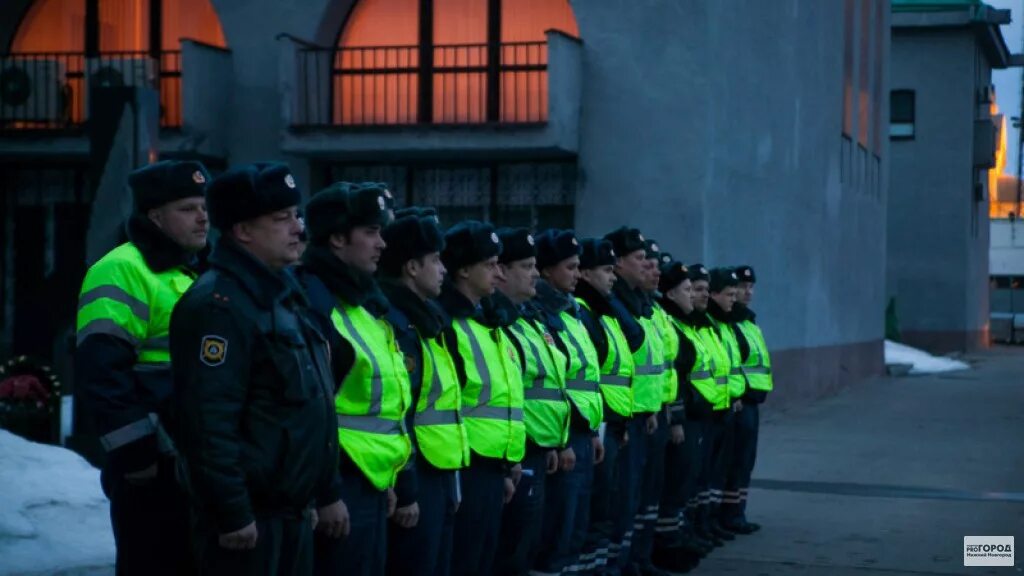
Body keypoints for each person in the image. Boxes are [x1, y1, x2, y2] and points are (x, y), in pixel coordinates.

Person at [170, 162, 347, 575]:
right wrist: (231, 511)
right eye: (281, 219)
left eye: (297, 216)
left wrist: (326, 491)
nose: (298, 228)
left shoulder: (282, 296)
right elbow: (207, 422)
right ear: (243, 231)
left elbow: (312, 404)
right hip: (251, 521)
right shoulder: (220, 305)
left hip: (290, 514)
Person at [75, 160, 210, 575]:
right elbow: (102, 371)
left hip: (189, 458)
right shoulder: (124, 269)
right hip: (154, 464)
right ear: (155, 215)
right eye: (187, 208)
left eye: (204, 206)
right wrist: (137, 457)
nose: (203, 216)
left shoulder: (190, 271)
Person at [295, 182, 413, 576]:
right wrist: (324, 494)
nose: (382, 244)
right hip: (338, 486)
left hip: (370, 484)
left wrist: (388, 478)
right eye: (371, 232)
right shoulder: (313, 303)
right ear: (337, 239)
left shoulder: (363, 305)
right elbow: (308, 412)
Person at [379, 212, 470, 576]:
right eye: (436, 260)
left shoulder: (429, 319)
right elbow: (401, 411)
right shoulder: (398, 322)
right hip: (419, 474)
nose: (444, 269)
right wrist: (408, 487)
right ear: (412, 267)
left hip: (443, 469)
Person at [438, 221, 526, 576]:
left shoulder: (489, 323)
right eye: (490, 265)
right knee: (465, 561)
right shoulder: (450, 324)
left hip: (492, 466)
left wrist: (505, 465)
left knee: (484, 560)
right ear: (462, 269)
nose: (499, 275)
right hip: (467, 466)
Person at [491, 228, 572, 576]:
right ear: (502, 272)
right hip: (517, 453)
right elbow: (512, 396)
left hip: (538, 448)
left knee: (529, 545)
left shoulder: (529, 319)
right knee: (511, 550)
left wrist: (554, 441)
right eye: (526, 266)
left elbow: (549, 387)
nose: (535, 274)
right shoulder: (500, 322)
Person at [532, 229, 605, 576]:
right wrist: (567, 438)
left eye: (579, 267)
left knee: (577, 523)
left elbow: (587, 378)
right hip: (563, 434)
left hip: (581, 432)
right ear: (547, 270)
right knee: (557, 529)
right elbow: (557, 383)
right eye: (570, 267)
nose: (577, 274)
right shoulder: (546, 314)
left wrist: (592, 432)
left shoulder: (571, 311)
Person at [573, 238, 634, 575]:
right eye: (606, 271)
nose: (613, 278)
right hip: (597, 425)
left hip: (611, 423)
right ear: (585, 273)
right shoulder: (583, 312)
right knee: (594, 510)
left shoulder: (605, 311)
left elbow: (635, 336)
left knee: (606, 507)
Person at [720, 265, 772, 534]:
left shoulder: (748, 321)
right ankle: (729, 515)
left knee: (745, 461)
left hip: (752, 401)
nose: (747, 292)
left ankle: (737, 512)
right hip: (740, 401)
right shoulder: (729, 323)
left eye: (751, 287)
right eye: (742, 287)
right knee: (735, 460)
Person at [704, 267, 745, 542]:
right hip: (709, 409)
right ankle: (707, 522)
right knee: (706, 474)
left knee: (721, 470)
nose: (736, 298)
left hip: (729, 405)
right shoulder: (710, 323)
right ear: (714, 294)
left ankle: (714, 520)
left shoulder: (728, 323)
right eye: (729, 294)